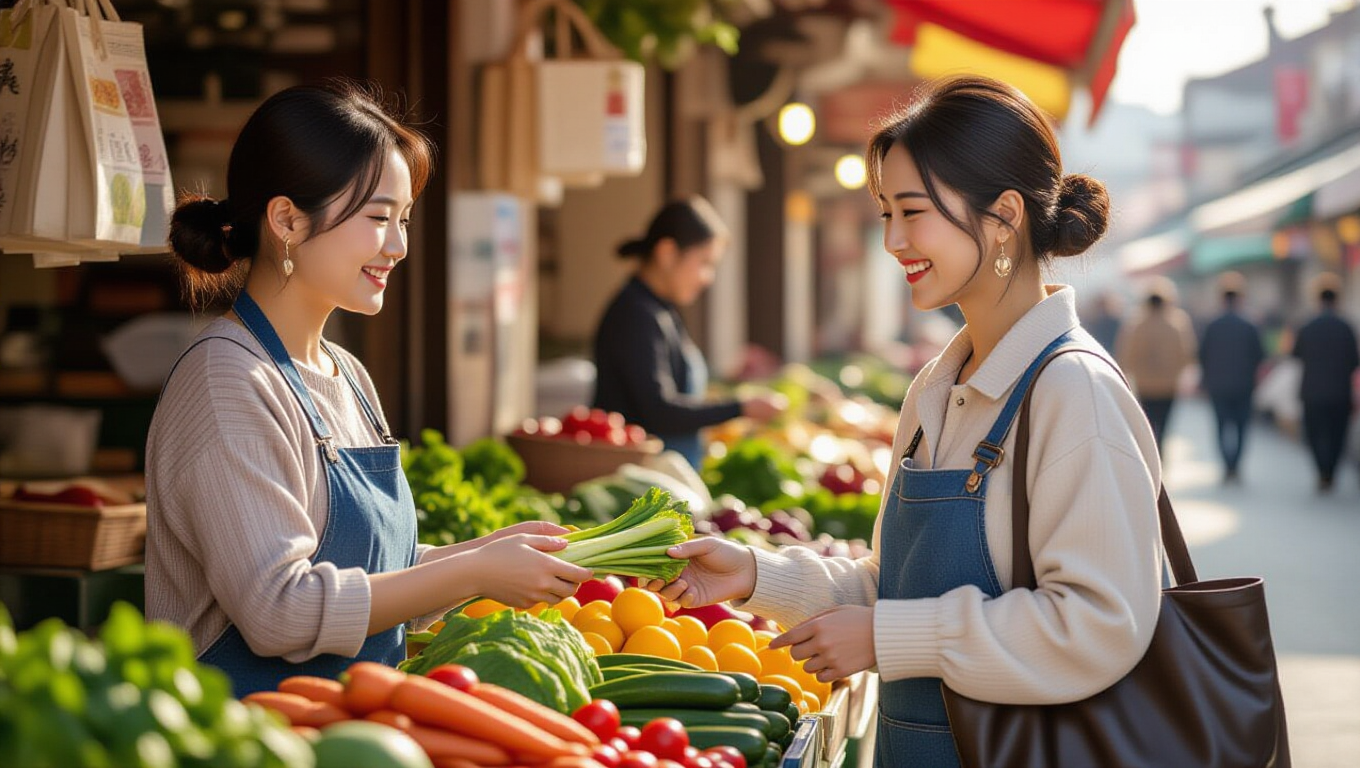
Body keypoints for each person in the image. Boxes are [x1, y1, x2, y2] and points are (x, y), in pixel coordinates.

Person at [648, 75, 1165, 767]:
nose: (892, 239)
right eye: (885, 211)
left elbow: (1101, 625)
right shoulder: (935, 389)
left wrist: (891, 638)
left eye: (912, 211)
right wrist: (753, 574)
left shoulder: (1074, 391)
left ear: (1004, 215)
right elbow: (895, 587)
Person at [145, 82, 592, 696]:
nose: (399, 246)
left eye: (403, 220)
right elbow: (281, 610)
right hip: (248, 739)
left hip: (352, 729)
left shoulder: (347, 375)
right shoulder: (226, 383)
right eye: (379, 218)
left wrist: (483, 556)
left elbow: (380, 579)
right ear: (287, 220)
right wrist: (478, 568)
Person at [591, 197, 786, 467]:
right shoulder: (635, 314)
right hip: (643, 488)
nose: (708, 277)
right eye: (705, 262)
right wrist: (740, 407)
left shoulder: (659, 309)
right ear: (668, 253)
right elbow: (659, 411)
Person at [1292, 273, 1359, 493]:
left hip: (1312, 391)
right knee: (1337, 434)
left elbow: (1296, 354)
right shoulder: (1346, 327)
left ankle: (1322, 471)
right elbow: (1354, 360)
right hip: (1339, 392)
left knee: (1313, 433)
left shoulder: (1307, 326)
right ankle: (1330, 471)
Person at [1115, 277, 1197, 452]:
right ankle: (1161, 455)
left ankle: (1152, 457)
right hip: (1169, 385)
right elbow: (1186, 354)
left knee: (1148, 426)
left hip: (1145, 384)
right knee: (1165, 424)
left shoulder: (1136, 324)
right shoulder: (1177, 323)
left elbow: (1126, 355)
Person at [1199, 271, 1265, 484]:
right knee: (1241, 427)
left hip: (1218, 385)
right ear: (1240, 298)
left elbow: (1202, 355)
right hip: (1244, 385)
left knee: (1221, 426)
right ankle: (1235, 465)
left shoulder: (1212, 325)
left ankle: (1227, 465)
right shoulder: (1250, 325)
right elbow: (1259, 356)